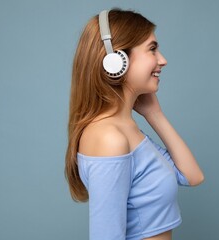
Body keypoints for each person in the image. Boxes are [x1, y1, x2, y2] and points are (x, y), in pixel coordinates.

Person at [65, 8, 204, 240]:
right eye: (152, 49)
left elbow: (192, 176)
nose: (163, 60)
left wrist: (155, 114)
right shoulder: (109, 138)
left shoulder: (126, 129)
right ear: (116, 60)